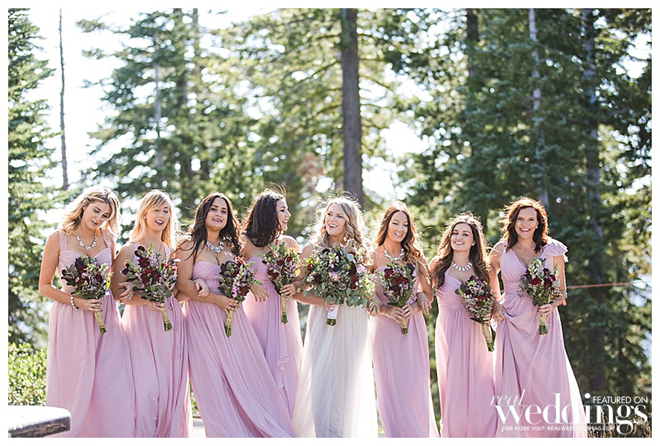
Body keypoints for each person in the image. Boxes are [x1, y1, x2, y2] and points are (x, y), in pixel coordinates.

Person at [175, 192, 295, 437]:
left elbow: (247, 270)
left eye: (224, 211)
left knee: (244, 380)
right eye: (214, 209)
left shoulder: (232, 245)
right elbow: (182, 284)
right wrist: (213, 297)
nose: (219, 214)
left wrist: (251, 284)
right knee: (210, 383)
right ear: (203, 212)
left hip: (234, 322)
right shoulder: (188, 245)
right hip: (202, 321)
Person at [38, 186, 135, 437]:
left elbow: (110, 280)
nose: (99, 218)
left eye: (105, 215)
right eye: (96, 211)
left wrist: (126, 288)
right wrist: (76, 302)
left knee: (110, 381)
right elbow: (44, 287)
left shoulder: (108, 238)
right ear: (84, 206)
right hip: (71, 317)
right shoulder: (58, 238)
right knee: (75, 383)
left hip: (106, 317)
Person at [489, 197, 587, 437]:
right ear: (513, 222)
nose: (525, 224)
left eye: (530, 219)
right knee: (515, 383)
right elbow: (489, 277)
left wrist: (550, 305)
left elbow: (561, 292)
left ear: (538, 223)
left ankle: (553, 436)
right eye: (520, 219)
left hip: (543, 322)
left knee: (547, 380)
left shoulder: (552, 249)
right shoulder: (501, 249)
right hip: (511, 321)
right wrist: (495, 304)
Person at [288, 195, 378, 438]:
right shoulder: (311, 249)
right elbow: (295, 290)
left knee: (348, 377)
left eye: (339, 216)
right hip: (323, 318)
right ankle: (324, 436)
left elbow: (369, 289)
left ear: (349, 221)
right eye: (329, 214)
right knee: (323, 376)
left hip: (352, 318)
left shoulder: (361, 252)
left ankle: (345, 435)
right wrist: (323, 301)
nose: (332, 219)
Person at [110, 190, 192, 437]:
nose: (162, 215)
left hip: (170, 323)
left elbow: (177, 290)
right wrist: (145, 299)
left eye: (166, 211)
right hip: (140, 325)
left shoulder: (171, 252)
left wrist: (195, 287)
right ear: (144, 214)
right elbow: (116, 293)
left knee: (169, 387)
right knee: (146, 389)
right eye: (156, 210)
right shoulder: (128, 250)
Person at [368, 202, 439, 437]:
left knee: (414, 384)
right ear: (386, 225)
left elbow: (428, 293)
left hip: (412, 325)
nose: (400, 229)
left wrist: (416, 304)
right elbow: (365, 295)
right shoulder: (372, 256)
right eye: (395, 223)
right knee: (389, 384)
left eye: (405, 224)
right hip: (383, 328)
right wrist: (385, 310)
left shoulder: (415, 257)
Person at [430, 213, 498, 437]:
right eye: (455, 233)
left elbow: (496, 301)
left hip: (477, 331)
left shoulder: (484, 269)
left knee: (482, 383)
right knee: (454, 386)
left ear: (474, 241)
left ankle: (484, 435)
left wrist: (490, 312)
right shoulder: (438, 265)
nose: (459, 238)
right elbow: (422, 294)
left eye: (465, 234)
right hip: (448, 332)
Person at [240, 189, 304, 417]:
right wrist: (250, 283)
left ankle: (287, 421)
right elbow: (230, 271)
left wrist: (295, 286)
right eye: (283, 210)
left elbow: (302, 280)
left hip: (285, 314)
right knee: (260, 366)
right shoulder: (246, 242)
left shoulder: (289, 243)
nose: (288, 214)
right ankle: (263, 421)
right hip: (257, 316)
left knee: (287, 366)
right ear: (268, 213)